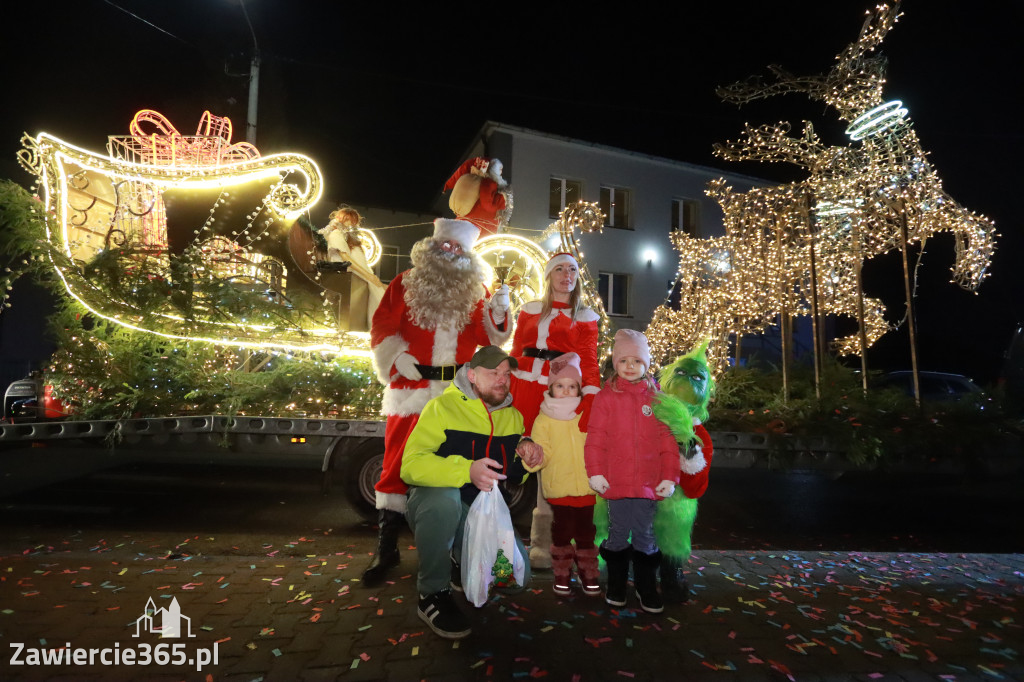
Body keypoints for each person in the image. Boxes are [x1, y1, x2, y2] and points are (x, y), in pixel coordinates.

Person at [363, 218, 512, 587]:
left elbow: (488, 338)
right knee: (398, 462)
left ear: (467, 254)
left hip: (454, 394)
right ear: (431, 247)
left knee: (456, 466)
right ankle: (387, 546)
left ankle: (455, 546)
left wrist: (497, 311)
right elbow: (382, 324)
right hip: (410, 390)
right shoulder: (406, 283)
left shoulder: (475, 290)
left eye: (457, 248)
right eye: (444, 245)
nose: (450, 252)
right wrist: (396, 358)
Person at [401, 345, 543, 639]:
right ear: (472, 375)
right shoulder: (441, 407)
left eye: (506, 373)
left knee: (516, 579)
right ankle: (432, 594)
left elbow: (512, 475)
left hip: (481, 516)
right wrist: (466, 470)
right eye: (493, 373)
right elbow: (410, 465)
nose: (502, 379)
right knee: (444, 501)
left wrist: (528, 457)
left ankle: (457, 558)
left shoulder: (513, 417)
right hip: (437, 504)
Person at [509, 252, 600, 569]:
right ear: (548, 275)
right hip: (523, 387)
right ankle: (492, 536)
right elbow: (515, 349)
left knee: (553, 461)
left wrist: (590, 396)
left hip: (559, 393)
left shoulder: (585, 316)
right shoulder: (530, 310)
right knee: (514, 458)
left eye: (572, 269)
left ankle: (547, 545)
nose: (566, 274)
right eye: (559, 269)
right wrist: (503, 386)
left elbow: (588, 360)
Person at [585, 329, 680, 614]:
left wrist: (669, 476)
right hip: (616, 481)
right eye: (623, 360)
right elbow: (595, 439)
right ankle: (616, 584)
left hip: (648, 484)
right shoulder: (605, 398)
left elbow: (668, 441)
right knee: (617, 533)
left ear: (646, 365)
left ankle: (645, 586)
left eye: (636, 361)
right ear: (615, 363)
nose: (629, 366)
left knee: (644, 535)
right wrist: (596, 472)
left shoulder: (657, 399)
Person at [522, 352, 600, 597]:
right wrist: (533, 455)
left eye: (572, 386)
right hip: (559, 489)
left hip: (587, 487)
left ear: (579, 389)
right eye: (559, 386)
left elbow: (598, 443)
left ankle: (589, 572)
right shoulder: (544, 418)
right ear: (551, 388)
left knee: (587, 533)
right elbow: (542, 449)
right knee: (562, 532)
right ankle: (562, 573)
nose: (566, 391)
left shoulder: (586, 412)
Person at [318, 206, 385, 332]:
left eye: (354, 222)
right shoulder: (336, 235)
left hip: (353, 274)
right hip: (345, 274)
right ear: (343, 219)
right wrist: (368, 275)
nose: (353, 225)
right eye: (350, 221)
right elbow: (346, 260)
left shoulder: (346, 238)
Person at [442, 156, 512, 235]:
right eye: (499, 171)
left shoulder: (467, 180)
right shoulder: (488, 183)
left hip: (462, 224)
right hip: (482, 227)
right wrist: (502, 199)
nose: (501, 175)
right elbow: (488, 204)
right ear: (493, 171)